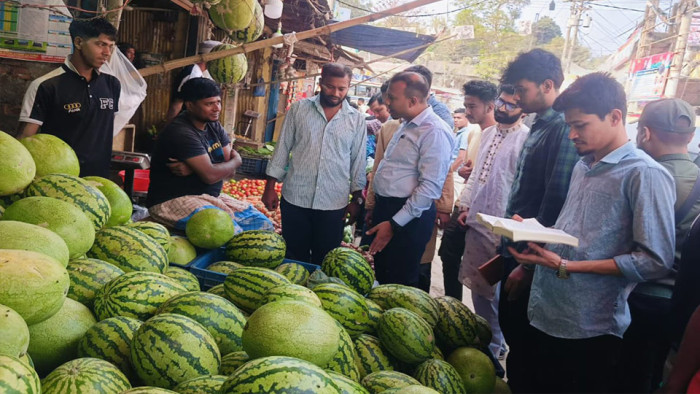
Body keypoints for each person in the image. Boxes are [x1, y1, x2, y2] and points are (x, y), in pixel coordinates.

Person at [508, 72, 675, 393]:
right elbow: (577, 232)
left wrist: (567, 266)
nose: (571, 135)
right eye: (569, 125)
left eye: (580, 125)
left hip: (590, 328)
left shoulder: (645, 174)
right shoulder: (584, 165)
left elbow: (654, 261)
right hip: (546, 311)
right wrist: (534, 233)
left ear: (615, 117)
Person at [495, 49, 578, 393]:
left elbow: (554, 204)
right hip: (519, 251)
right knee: (518, 349)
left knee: (527, 353)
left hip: (533, 260)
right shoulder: (539, 125)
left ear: (547, 85)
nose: (516, 98)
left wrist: (529, 266)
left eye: (522, 90)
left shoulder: (561, 129)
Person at [616, 98, 700, 393]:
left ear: (645, 133)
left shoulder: (642, 176)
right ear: (690, 137)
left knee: (629, 378)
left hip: (639, 298)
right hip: (682, 310)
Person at [262, 63, 366, 265]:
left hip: (333, 203)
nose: (335, 93)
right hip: (295, 199)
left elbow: (358, 161)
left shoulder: (356, 120)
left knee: (326, 259)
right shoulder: (299, 110)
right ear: (320, 83)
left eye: (341, 88)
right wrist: (270, 187)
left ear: (348, 87)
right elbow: (282, 148)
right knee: (293, 257)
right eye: (330, 86)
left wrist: (356, 200)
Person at [456, 84, 529, 360]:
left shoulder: (525, 139)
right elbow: (476, 176)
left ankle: (495, 347)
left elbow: (519, 186)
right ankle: (485, 338)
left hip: (502, 225)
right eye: (501, 102)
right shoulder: (486, 134)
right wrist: (465, 205)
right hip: (477, 221)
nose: (503, 108)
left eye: (511, 105)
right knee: (477, 286)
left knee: (494, 291)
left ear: (523, 110)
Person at [367, 71, 453, 287]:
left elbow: (429, 189)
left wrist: (394, 224)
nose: (387, 103)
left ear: (413, 101)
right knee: (381, 276)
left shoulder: (434, 132)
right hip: (388, 210)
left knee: (399, 283)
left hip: (407, 218)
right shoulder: (406, 123)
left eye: (392, 98)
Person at [17, 17, 120, 177]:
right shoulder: (46, 86)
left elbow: (102, 130)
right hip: (58, 180)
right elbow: (25, 139)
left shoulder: (112, 84)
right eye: (101, 44)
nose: (107, 53)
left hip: (100, 181)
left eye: (111, 46)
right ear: (78, 42)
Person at [437, 80, 497, 300]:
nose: (468, 111)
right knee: (448, 254)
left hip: (486, 213)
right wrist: (466, 172)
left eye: (473, 107)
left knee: (484, 271)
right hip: (464, 203)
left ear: (490, 107)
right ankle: (453, 305)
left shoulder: (502, 135)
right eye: (466, 106)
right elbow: (470, 168)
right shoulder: (473, 132)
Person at [146, 78, 241, 207]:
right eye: (209, 104)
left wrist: (195, 169)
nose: (217, 108)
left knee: (259, 221)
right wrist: (237, 161)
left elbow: (230, 173)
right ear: (190, 105)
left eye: (218, 102)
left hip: (208, 198)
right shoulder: (181, 131)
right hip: (173, 202)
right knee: (232, 227)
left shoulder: (214, 125)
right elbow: (211, 175)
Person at [166, 40, 221, 123]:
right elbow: (178, 103)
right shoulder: (192, 74)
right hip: (184, 123)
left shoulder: (200, 72)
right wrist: (170, 127)